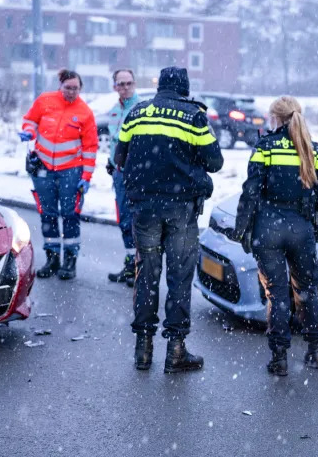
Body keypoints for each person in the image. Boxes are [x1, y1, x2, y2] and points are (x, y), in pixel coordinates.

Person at [115, 67, 223, 373]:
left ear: (160, 86)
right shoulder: (193, 115)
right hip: (181, 209)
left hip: (144, 208)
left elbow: (119, 158)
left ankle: (143, 350)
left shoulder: (136, 113)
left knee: (146, 275)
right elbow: (215, 162)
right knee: (179, 277)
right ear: (185, 88)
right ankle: (176, 351)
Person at [233, 96, 318, 376]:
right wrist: (316, 227)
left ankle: (279, 359)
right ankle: (314, 351)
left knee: (277, 295)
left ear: (275, 118)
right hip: (301, 228)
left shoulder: (265, 146)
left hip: (269, 228)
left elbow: (250, 191)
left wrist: (242, 229)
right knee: (307, 291)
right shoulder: (313, 149)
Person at [20, 69, 98, 280]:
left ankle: (70, 261)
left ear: (80, 88)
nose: (71, 92)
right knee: (48, 214)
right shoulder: (45, 101)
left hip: (71, 171)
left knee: (70, 215)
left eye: (75, 88)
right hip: (43, 167)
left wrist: (86, 177)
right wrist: (29, 132)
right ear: (60, 86)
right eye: (68, 88)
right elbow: (30, 120)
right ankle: (52, 258)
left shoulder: (85, 113)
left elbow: (90, 147)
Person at [106, 69, 140, 285]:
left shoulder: (140, 109)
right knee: (124, 220)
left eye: (128, 83)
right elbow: (113, 142)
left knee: (136, 221)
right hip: (118, 173)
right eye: (121, 84)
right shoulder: (114, 111)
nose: (125, 87)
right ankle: (130, 265)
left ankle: (139, 268)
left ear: (134, 84)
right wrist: (110, 163)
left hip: (135, 174)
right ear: (115, 87)